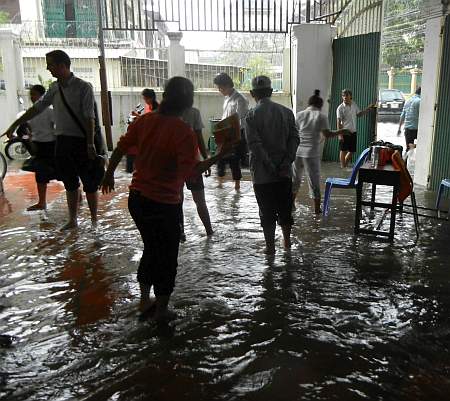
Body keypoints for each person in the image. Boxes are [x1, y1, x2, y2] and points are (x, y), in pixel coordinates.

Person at [101, 77, 230, 322]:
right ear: (188, 102)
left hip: (137, 200)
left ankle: (143, 299)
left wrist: (108, 175)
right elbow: (191, 172)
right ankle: (161, 310)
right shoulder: (183, 132)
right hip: (164, 204)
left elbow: (120, 148)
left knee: (151, 247)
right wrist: (219, 155)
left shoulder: (144, 121)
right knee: (167, 256)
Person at [2, 50, 101, 230]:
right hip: (62, 142)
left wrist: (90, 143)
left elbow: (89, 117)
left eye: (50, 64)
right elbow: (37, 108)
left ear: (62, 65)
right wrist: (15, 124)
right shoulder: (55, 88)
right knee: (70, 182)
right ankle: (73, 220)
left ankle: (94, 221)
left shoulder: (83, 87)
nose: (48, 68)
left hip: (81, 142)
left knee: (90, 183)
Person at [245, 76, 299, 255]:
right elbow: (294, 138)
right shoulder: (286, 112)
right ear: (271, 92)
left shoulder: (251, 115)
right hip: (284, 172)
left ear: (253, 94)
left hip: (262, 175)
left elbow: (254, 144)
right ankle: (287, 243)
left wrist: (269, 165)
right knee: (285, 208)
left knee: (266, 211)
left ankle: (270, 248)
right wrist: (286, 161)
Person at [292, 90, 350, 215]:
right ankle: (317, 210)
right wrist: (341, 131)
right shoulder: (321, 116)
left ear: (309, 103)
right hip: (311, 154)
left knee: (295, 180)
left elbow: (294, 133)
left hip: (297, 152)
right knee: (314, 181)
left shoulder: (299, 114)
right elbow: (327, 134)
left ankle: (291, 205)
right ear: (320, 105)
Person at [180, 106, 213, 239]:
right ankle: (209, 231)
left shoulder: (165, 112)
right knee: (200, 200)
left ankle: (180, 232)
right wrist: (205, 159)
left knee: (177, 200)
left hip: (174, 164)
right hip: (192, 163)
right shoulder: (193, 112)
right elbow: (199, 138)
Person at [213, 72, 249, 190]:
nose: (219, 90)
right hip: (225, 132)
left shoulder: (240, 99)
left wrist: (228, 130)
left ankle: (237, 186)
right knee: (220, 157)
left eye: (220, 87)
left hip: (236, 133)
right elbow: (225, 116)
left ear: (228, 85)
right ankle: (220, 183)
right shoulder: (227, 98)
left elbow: (239, 119)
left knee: (234, 159)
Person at [26, 84, 57, 211]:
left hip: (51, 145)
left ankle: (77, 196)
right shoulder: (31, 112)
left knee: (62, 172)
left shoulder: (50, 111)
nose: (32, 97)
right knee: (40, 175)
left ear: (42, 95)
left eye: (34, 94)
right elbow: (30, 129)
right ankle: (42, 202)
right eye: (31, 95)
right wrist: (31, 138)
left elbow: (57, 126)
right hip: (38, 146)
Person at [337, 89, 375, 168]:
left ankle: (344, 166)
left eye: (346, 95)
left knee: (352, 151)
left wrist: (368, 108)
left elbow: (359, 114)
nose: (344, 97)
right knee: (343, 150)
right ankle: (343, 167)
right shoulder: (340, 108)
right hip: (344, 131)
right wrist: (340, 135)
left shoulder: (354, 104)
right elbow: (338, 122)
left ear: (350, 96)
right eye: (343, 96)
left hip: (353, 131)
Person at [126, 89, 159, 173]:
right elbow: (146, 118)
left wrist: (137, 117)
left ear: (150, 98)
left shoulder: (156, 107)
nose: (144, 100)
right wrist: (137, 116)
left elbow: (151, 120)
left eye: (145, 98)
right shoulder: (149, 106)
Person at [398, 86, 421, 150]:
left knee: (408, 149)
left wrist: (399, 128)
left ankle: (406, 159)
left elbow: (402, 115)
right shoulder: (420, 101)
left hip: (407, 129)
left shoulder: (408, 101)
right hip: (417, 130)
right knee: (420, 147)